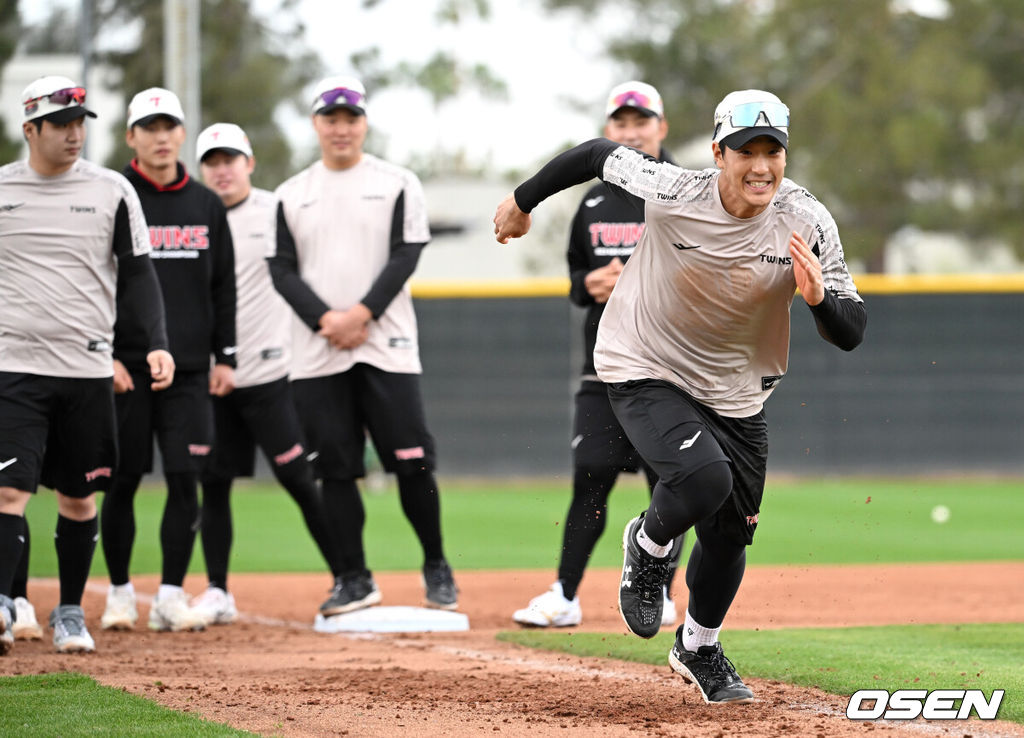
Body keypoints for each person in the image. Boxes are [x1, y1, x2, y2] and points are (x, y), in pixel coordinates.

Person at [494, 89, 865, 703]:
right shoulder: (675, 189)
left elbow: (851, 331)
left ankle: (698, 646)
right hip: (646, 362)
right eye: (747, 150)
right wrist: (520, 201)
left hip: (739, 391)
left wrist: (821, 300)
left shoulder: (807, 219)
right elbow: (593, 153)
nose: (762, 166)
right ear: (719, 152)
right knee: (702, 482)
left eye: (773, 151)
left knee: (730, 535)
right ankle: (647, 544)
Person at [269, 75, 457, 613]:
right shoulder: (291, 193)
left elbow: (406, 254)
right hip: (318, 350)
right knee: (335, 468)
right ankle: (353, 577)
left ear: (364, 122)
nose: (342, 127)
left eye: (351, 117)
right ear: (316, 124)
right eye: (331, 118)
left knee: (413, 459)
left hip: (386, 344)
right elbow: (279, 268)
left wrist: (361, 314)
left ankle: (437, 566)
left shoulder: (398, 182)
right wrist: (327, 320)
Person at [0, 75, 173, 654]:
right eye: (62, 124)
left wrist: (155, 340)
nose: (75, 134)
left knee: (79, 499)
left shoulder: (113, 191)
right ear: (31, 129)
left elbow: (140, 273)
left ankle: (70, 612)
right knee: (7, 493)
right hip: (14, 367)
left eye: (80, 123)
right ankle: (4, 603)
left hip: (87, 370)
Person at [513, 81, 684, 629]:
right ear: (609, 132)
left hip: (669, 368)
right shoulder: (590, 199)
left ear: (661, 128)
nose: (631, 131)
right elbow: (573, 278)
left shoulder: (683, 189)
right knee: (589, 476)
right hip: (602, 365)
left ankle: (657, 591)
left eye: (642, 121)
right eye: (621, 123)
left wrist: (639, 280)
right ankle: (564, 594)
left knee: (671, 485)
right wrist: (589, 281)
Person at [192, 122, 348, 622]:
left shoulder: (275, 209)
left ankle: (347, 577)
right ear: (202, 170)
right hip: (217, 378)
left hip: (273, 376)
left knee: (301, 480)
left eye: (230, 159)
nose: (222, 169)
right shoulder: (197, 218)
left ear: (249, 163)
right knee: (213, 483)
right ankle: (217, 589)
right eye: (212, 161)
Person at [100, 88, 237, 633]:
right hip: (126, 370)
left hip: (190, 371)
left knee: (187, 482)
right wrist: (106, 355)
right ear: (132, 137)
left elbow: (224, 286)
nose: (160, 137)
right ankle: (117, 594)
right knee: (122, 481)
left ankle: (170, 597)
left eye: (169, 127)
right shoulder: (114, 195)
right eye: (148, 128)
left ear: (181, 134)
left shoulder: (205, 204)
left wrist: (225, 357)